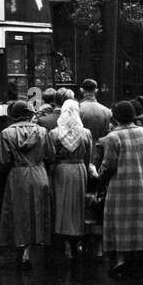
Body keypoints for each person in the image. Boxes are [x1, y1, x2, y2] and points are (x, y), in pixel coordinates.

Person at [98, 101, 143, 278]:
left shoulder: (114, 137)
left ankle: (122, 259)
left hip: (121, 184)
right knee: (142, 219)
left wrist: (100, 178)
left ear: (115, 117)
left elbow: (109, 165)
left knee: (121, 221)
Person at [0, 100, 53, 269]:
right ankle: (31, 249)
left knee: (18, 212)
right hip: (38, 173)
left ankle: (20, 248)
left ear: (13, 116)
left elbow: (4, 161)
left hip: (18, 175)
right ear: (30, 115)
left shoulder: (6, 134)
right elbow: (50, 155)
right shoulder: (43, 132)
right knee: (37, 211)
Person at [47, 98, 93, 262]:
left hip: (61, 170)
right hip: (79, 169)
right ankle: (78, 240)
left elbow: (51, 157)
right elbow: (89, 157)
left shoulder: (54, 133)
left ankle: (65, 243)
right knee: (78, 205)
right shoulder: (85, 133)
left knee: (62, 206)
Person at [77, 79, 112, 147]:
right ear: (96, 91)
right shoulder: (107, 111)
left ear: (81, 90)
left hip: (82, 148)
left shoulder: (77, 109)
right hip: (101, 149)